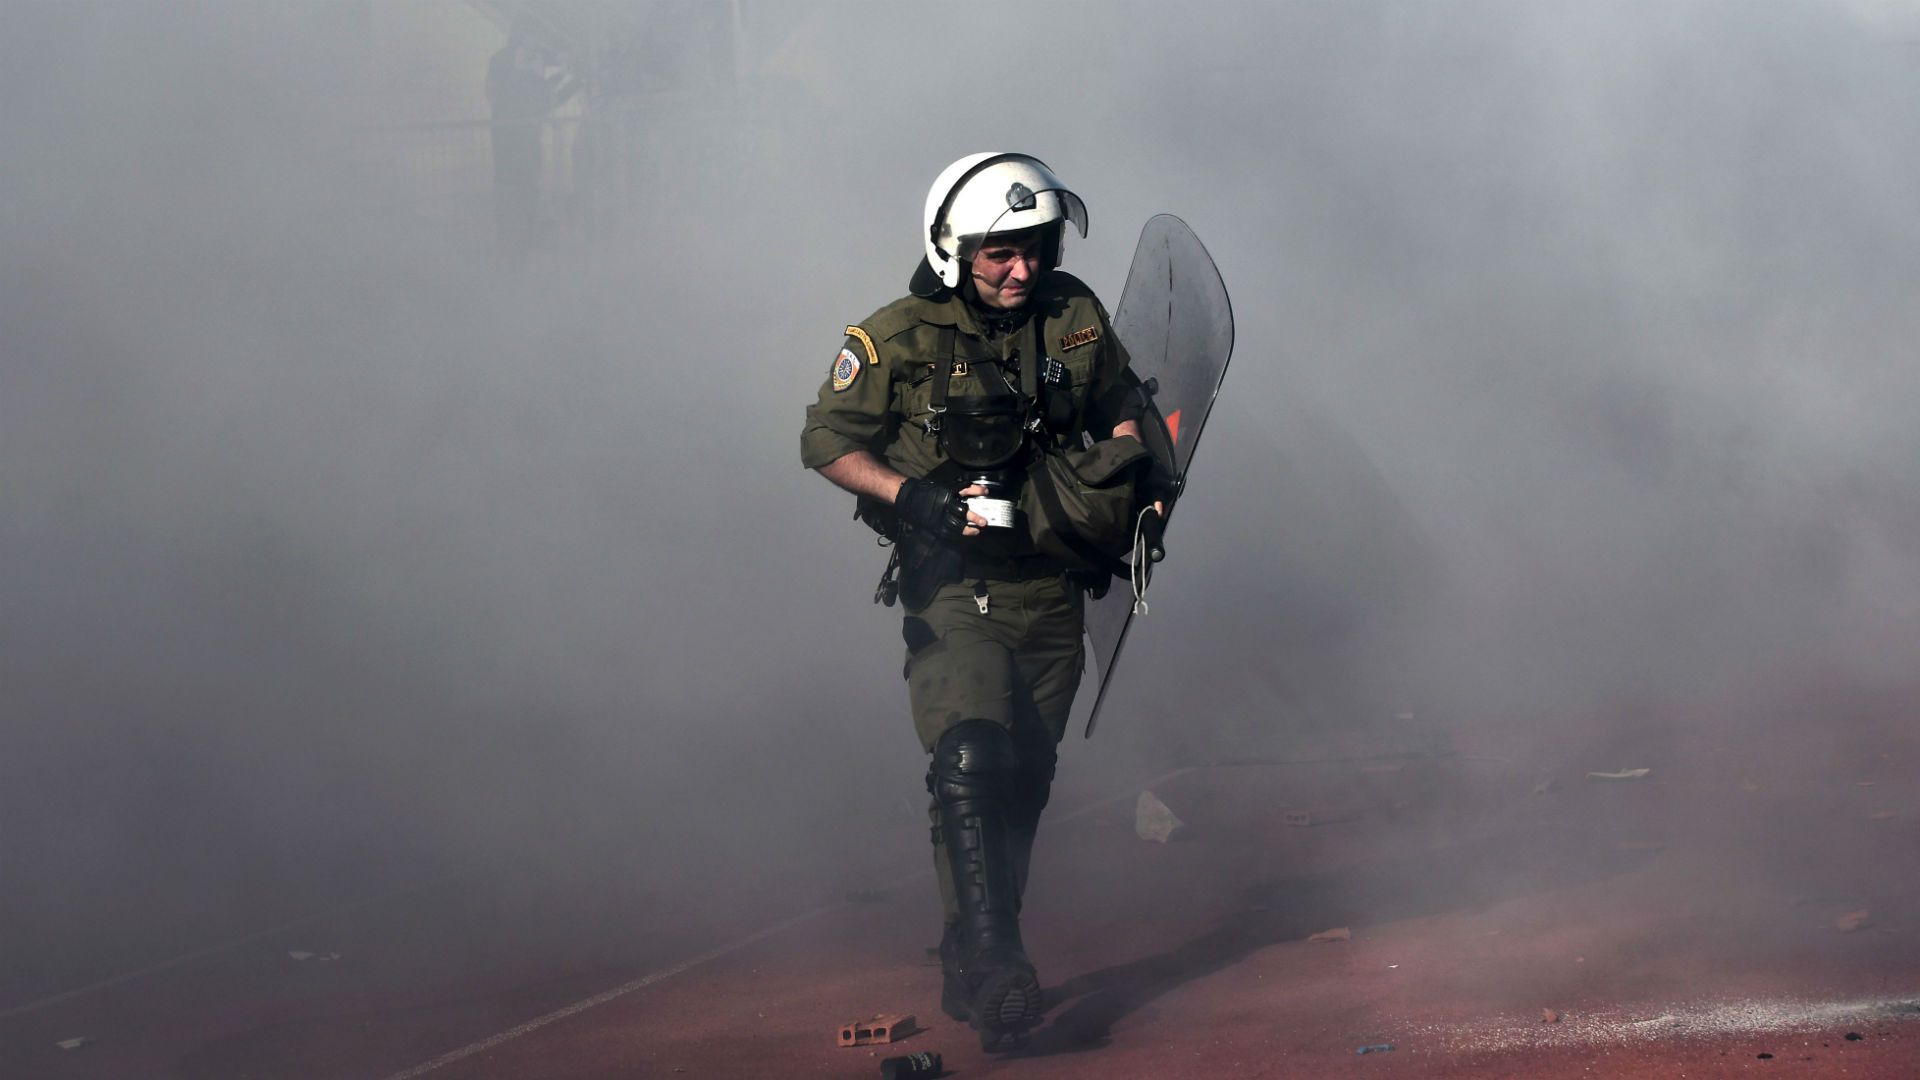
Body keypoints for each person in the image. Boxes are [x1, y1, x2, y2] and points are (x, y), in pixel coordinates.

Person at [800, 153, 1159, 1050]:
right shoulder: (899, 336)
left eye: (1033, 248)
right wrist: (911, 496)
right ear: (955, 248)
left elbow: (1121, 400)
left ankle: (970, 949)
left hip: (1051, 585)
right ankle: (1001, 960)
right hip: (952, 587)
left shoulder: (1075, 317)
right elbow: (824, 439)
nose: (1022, 269)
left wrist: (1131, 481)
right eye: (1000, 253)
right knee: (968, 754)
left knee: (1023, 785)